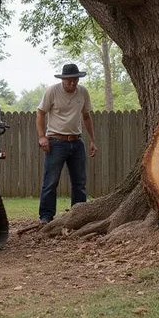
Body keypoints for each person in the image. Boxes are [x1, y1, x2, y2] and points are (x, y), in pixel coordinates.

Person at [36, 63, 99, 224]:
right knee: (51, 182)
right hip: (56, 142)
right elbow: (40, 113)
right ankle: (46, 217)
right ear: (63, 79)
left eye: (75, 80)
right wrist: (42, 137)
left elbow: (86, 116)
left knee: (80, 183)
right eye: (69, 81)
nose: (72, 84)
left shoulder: (83, 92)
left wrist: (92, 140)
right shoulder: (52, 91)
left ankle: (78, 216)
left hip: (76, 142)